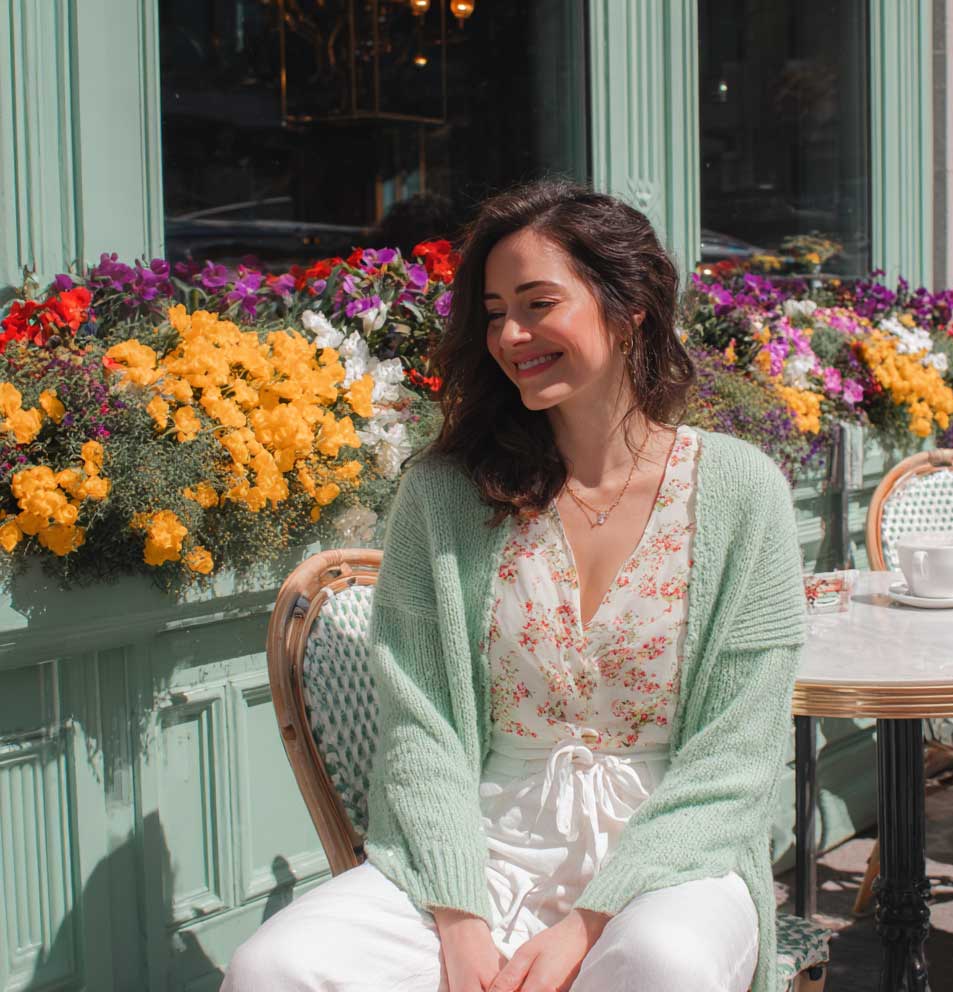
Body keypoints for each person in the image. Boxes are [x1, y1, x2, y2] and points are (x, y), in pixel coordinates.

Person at [222, 180, 807, 992]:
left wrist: (589, 923)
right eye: (495, 312)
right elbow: (423, 727)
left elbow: (737, 756)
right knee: (275, 967)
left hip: (676, 856)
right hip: (482, 848)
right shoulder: (446, 495)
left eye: (539, 304)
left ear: (630, 307)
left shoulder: (742, 491)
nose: (510, 335)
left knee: (662, 961)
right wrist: (461, 923)